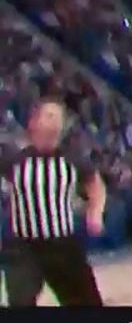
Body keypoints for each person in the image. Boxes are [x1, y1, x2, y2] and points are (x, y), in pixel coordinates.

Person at [0, 99, 106, 306]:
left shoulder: (72, 159)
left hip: (62, 244)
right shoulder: (14, 160)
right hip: (24, 247)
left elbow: (95, 185)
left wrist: (95, 212)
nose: (56, 121)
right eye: (49, 115)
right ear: (34, 123)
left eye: (58, 117)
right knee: (20, 303)